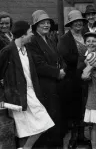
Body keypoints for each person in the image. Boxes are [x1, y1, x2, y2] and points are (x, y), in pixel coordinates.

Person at [0, 20, 54, 149]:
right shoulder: (7, 51)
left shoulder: (26, 49)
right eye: (30, 32)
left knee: (35, 127)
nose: (32, 35)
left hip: (31, 92)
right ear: (22, 35)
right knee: (39, 124)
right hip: (18, 96)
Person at [27, 10, 66, 148]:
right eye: (42, 23)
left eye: (48, 22)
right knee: (47, 118)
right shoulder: (32, 42)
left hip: (55, 85)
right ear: (35, 25)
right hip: (43, 86)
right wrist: (57, 72)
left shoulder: (50, 39)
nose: (46, 25)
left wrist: (62, 69)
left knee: (55, 117)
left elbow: (59, 58)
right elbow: (38, 65)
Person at [57, 10, 89, 148]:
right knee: (74, 109)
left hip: (87, 78)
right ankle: (73, 138)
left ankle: (82, 135)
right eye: (75, 22)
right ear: (70, 24)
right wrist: (84, 60)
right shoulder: (64, 39)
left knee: (85, 107)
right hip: (72, 79)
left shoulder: (86, 35)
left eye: (80, 21)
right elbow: (65, 57)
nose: (78, 23)